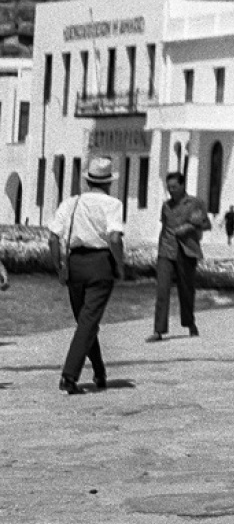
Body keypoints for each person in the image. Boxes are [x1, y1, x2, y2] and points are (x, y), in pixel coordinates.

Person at [49, 156, 125, 396]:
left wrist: (60, 268)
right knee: (88, 322)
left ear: (88, 180)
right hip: (100, 264)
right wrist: (120, 265)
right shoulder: (112, 204)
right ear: (109, 182)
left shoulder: (70, 203)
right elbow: (114, 238)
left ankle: (100, 371)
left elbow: (53, 238)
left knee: (85, 321)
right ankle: (69, 375)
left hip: (74, 265)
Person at [150, 170, 210, 342]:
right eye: (169, 187)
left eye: (174, 187)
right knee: (162, 290)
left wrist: (190, 226)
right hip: (166, 251)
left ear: (182, 185)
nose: (171, 190)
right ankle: (158, 330)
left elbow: (206, 225)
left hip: (186, 251)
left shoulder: (195, 203)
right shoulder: (166, 206)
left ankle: (190, 323)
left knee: (186, 290)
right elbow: (165, 226)